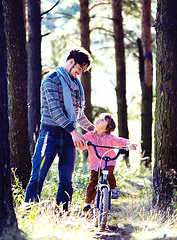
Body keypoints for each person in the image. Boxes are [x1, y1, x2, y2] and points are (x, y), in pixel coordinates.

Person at [24, 47, 95, 211]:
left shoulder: (77, 86)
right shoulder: (50, 81)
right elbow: (56, 112)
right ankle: (28, 213)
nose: (79, 73)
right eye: (78, 69)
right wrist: (74, 131)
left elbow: (78, 114)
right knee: (38, 176)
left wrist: (93, 129)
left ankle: (62, 215)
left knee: (66, 180)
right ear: (71, 62)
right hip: (49, 135)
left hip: (70, 138)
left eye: (82, 71)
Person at [78, 113, 137, 212]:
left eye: (102, 121)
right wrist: (79, 143)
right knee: (93, 182)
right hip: (95, 163)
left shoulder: (110, 137)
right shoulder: (89, 135)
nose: (98, 120)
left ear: (106, 128)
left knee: (109, 174)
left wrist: (129, 144)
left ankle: (113, 188)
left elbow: (120, 141)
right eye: (99, 118)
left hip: (108, 161)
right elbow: (82, 144)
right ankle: (87, 202)